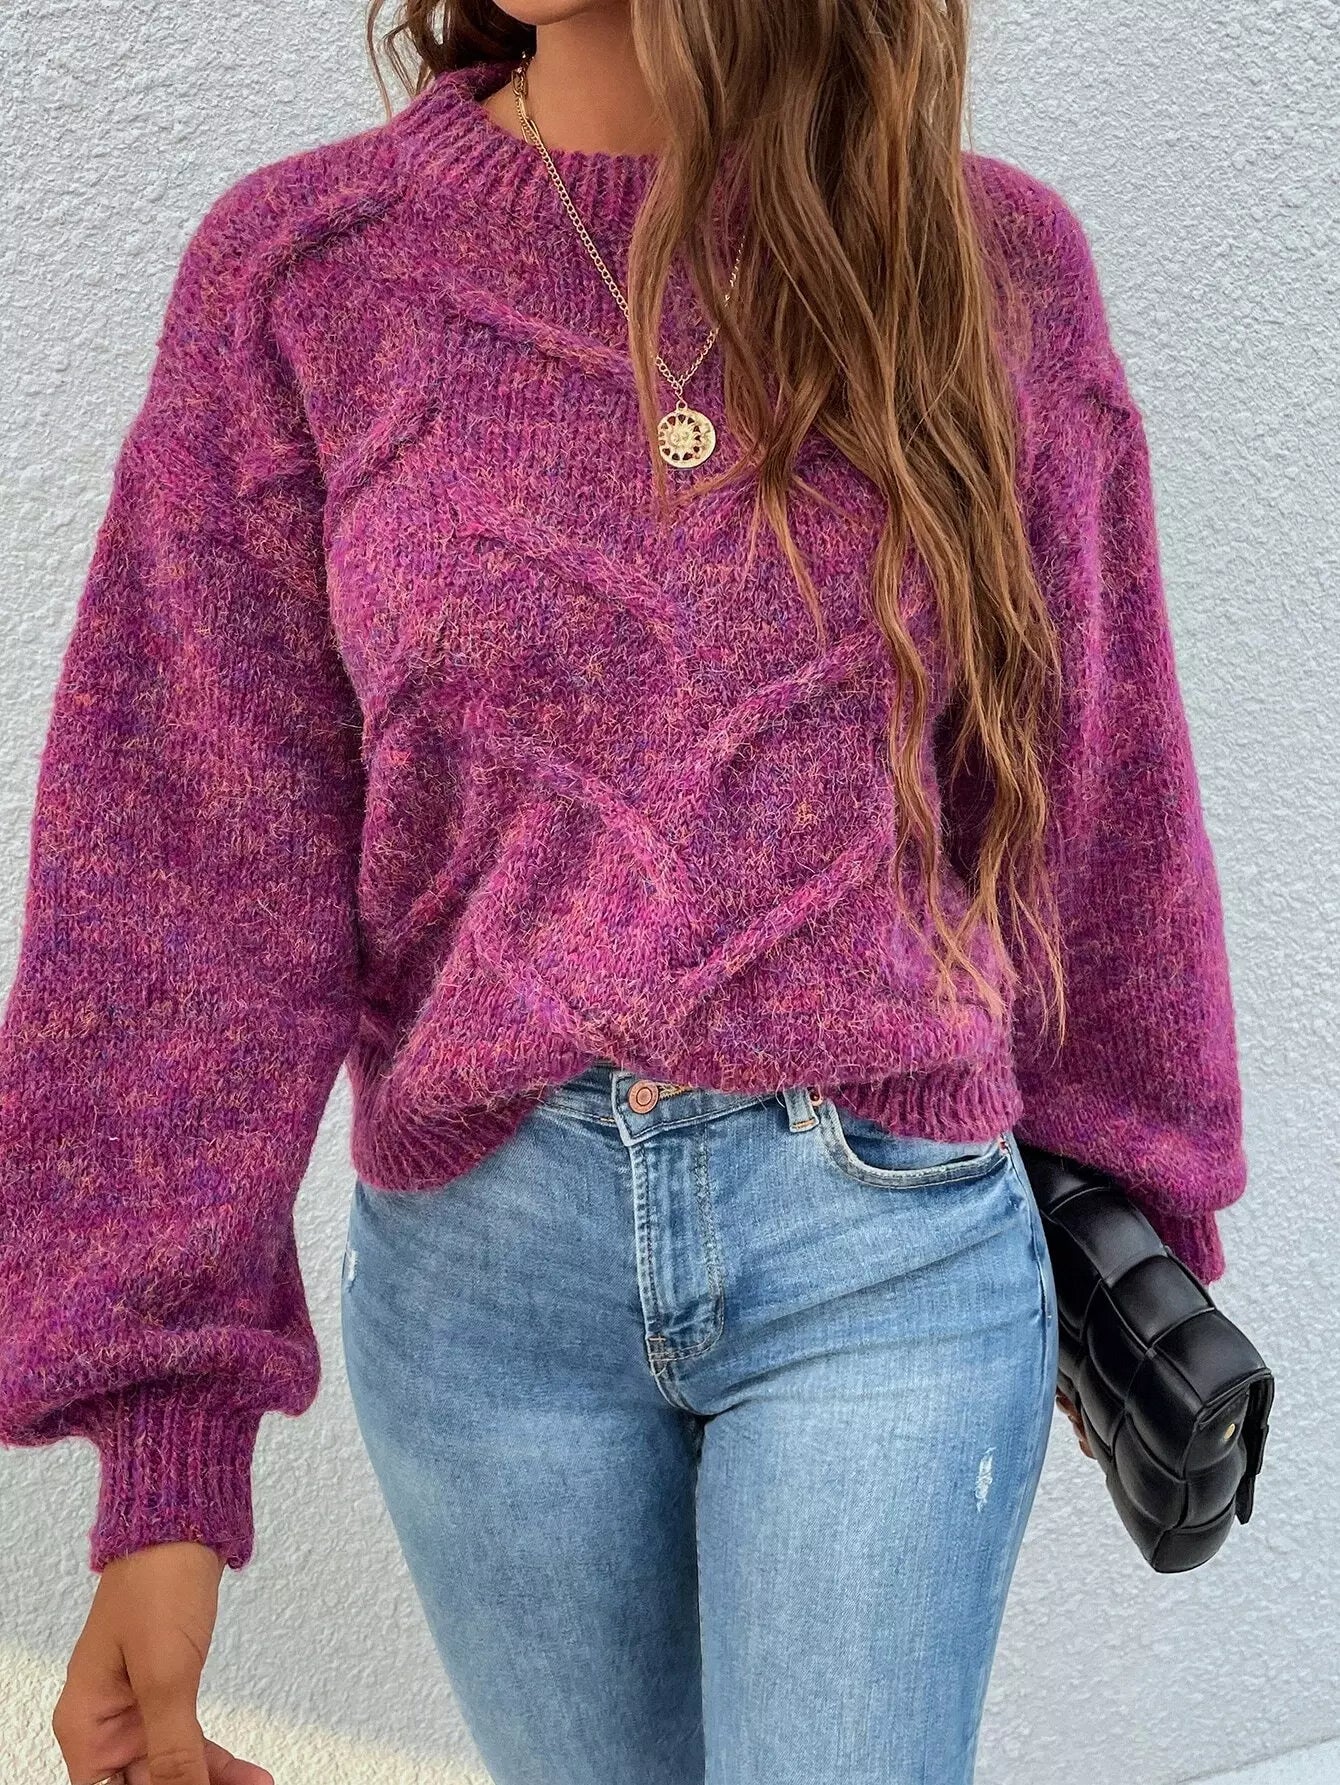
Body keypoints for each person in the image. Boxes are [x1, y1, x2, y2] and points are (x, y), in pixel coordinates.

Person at [0, 3, 1249, 1783]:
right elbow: (187, 868)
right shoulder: (303, 279)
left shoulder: (989, 269)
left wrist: (1142, 1245)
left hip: (881, 1252)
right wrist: (162, 1451)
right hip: (485, 1289)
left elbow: (1101, 804)